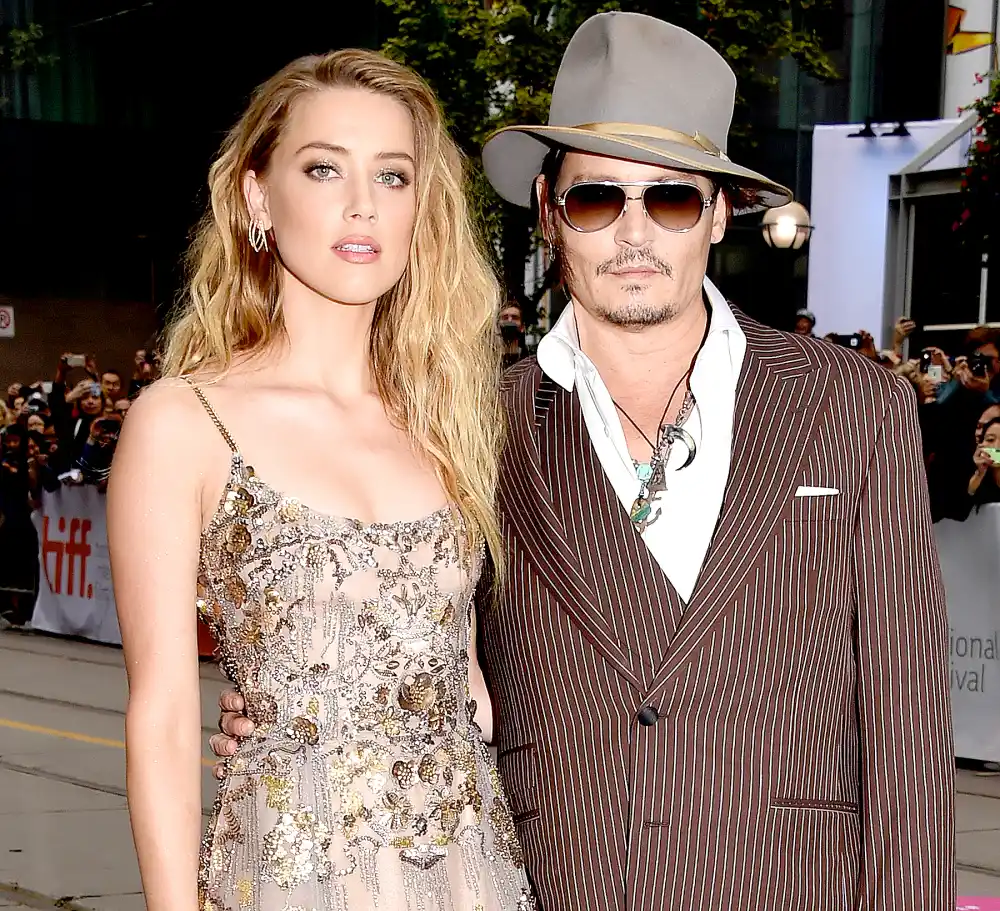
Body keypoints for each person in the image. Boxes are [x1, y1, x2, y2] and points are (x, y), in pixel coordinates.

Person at [211, 13, 954, 911]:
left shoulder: (851, 405)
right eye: (598, 197)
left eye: (671, 199)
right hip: (555, 885)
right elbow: (400, 635)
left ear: (720, 212)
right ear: (549, 211)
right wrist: (295, 707)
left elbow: (908, 727)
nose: (634, 233)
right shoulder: (467, 424)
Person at [108, 49, 534, 911]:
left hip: (467, 878)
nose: (361, 204)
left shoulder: (452, 422)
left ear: (423, 207)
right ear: (259, 195)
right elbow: (157, 717)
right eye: (323, 167)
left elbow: (464, 675)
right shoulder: (183, 421)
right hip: (287, 881)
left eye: (392, 175)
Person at [498, 302, 527, 369]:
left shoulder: (530, 362)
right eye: (505, 318)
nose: (510, 320)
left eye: (515, 317)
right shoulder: (488, 361)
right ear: (498, 326)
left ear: (522, 327)